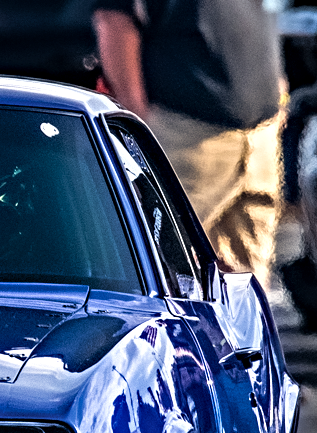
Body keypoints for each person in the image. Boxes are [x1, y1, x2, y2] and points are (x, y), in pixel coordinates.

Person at [92, 0, 284, 285]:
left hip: (259, 136)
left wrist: (277, 92)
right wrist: (139, 119)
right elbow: (114, 18)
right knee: (162, 270)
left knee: (247, 286)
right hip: (184, 137)